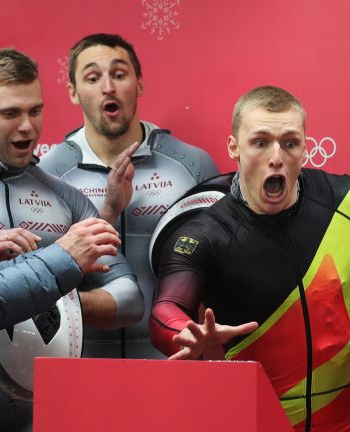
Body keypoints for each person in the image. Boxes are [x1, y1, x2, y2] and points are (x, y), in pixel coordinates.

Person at [148, 85, 350, 432]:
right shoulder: (205, 233)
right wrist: (184, 333)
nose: (276, 157)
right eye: (260, 142)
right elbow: (165, 309)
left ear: (304, 147)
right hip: (259, 424)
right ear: (234, 147)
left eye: (289, 143)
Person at [0, 50, 144, 432]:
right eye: (10, 113)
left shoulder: (65, 197)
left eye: (36, 111)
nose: (27, 127)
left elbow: (130, 300)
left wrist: (55, 300)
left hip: (45, 397)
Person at [39, 33, 220, 359]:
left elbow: (220, 269)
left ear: (139, 83)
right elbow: (40, 278)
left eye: (119, 74)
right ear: (73, 92)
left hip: (171, 361)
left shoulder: (192, 164)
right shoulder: (49, 173)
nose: (108, 86)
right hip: (81, 366)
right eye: (92, 78)